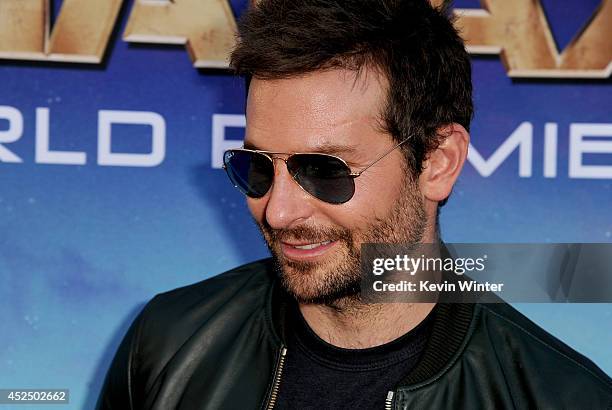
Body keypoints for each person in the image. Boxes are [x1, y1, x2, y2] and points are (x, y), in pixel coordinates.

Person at [97, 0, 612, 408]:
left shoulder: (558, 397)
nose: (278, 211)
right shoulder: (167, 343)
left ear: (437, 162)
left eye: (323, 171)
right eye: (256, 166)